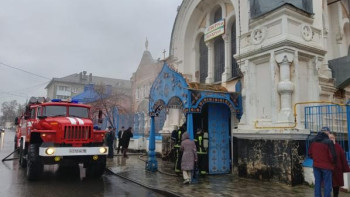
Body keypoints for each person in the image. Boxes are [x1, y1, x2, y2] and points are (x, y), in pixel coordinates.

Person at [308, 126, 337, 197]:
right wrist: (333, 163)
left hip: (316, 165)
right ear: (327, 132)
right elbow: (333, 156)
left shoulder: (313, 141)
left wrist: (316, 159)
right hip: (326, 166)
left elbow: (310, 154)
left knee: (317, 183)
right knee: (327, 184)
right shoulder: (329, 142)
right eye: (329, 132)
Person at [328, 133, 350, 197]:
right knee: (328, 184)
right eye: (329, 138)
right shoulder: (326, 146)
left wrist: (346, 168)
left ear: (335, 138)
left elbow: (343, 157)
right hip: (329, 169)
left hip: (337, 168)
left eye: (332, 137)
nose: (331, 139)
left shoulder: (338, 147)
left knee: (336, 185)